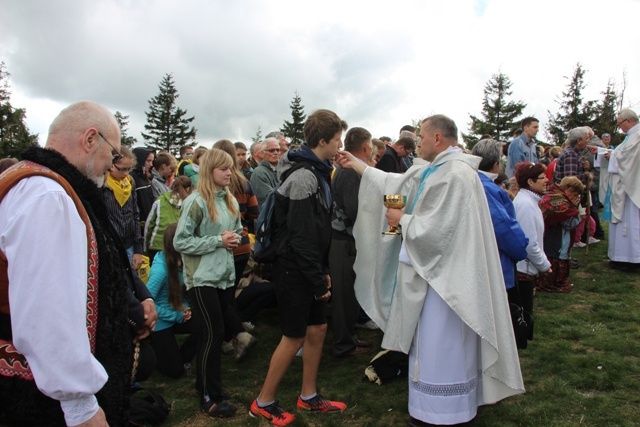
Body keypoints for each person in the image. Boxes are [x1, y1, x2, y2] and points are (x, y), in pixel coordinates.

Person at [338, 115, 524, 426]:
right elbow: (393, 184)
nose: (417, 143)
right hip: (432, 274)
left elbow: (439, 232)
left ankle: (445, 411)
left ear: (437, 138)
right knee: (430, 346)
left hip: (447, 283)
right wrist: (355, 165)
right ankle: (431, 406)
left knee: (443, 344)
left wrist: (401, 221)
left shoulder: (456, 176)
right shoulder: (436, 169)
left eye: (421, 137)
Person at [0, 101, 157, 426]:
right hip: (41, 399)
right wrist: (81, 405)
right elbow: (46, 312)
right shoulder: (49, 197)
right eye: (113, 155)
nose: (111, 165)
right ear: (89, 139)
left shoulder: (34, 182)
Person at [250, 109, 349, 426]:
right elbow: (302, 238)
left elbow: (315, 234)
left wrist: (323, 271)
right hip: (293, 269)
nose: (339, 146)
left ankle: (308, 396)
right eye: (336, 140)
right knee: (293, 336)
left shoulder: (317, 171)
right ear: (322, 141)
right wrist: (318, 280)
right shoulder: (305, 176)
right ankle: (263, 402)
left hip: (308, 267)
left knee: (317, 329)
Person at [174, 148, 255, 418]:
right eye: (224, 169)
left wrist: (233, 239)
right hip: (200, 278)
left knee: (217, 332)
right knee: (212, 333)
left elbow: (234, 230)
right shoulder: (195, 201)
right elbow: (180, 242)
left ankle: (208, 386)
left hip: (223, 276)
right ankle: (210, 396)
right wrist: (218, 241)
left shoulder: (229, 198)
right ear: (210, 171)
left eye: (230, 168)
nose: (230, 173)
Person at [329, 126, 374, 357]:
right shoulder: (349, 172)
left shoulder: (353, 169)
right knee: (344, 296)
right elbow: (355, 209)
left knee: (352, 294)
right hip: (343, 242)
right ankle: (343, 346)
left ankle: (350, 338)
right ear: (366, 147)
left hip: (349, 241)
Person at [471, 139, 529, 292]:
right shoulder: (487, 188)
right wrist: (521, 247)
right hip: (494, 261)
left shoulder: (472, 180)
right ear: (496, 164)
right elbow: (503, 227)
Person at [147, 223, 199, 378]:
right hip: (160, 321)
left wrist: (184, 307)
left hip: (177, 313)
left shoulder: (183, 263)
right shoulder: (160, 271)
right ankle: (153, 351)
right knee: (174, 372)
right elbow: (147, 304)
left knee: (205, 324)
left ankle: (182, 358)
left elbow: (180, 294)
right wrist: (176, 315)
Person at [512, 162, 552, 339]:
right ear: (530, 181)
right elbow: (528, 243)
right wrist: (544, 265)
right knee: (522, 315)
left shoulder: (529, 201)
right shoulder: (526, 205)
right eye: (542, 178)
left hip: (525, 268)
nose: (547, 180)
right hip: (524, 269)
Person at [600, 109, 640, 272]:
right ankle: (621, 256)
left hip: (630, 188)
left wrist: (612, 155)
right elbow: (622, 153)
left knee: (630, 222)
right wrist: (610, 153)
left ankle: (630, 258)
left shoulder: (636, 136)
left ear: (628, 121)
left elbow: (627, 158)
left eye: (620, 123)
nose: (619, 127)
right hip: (625, 185)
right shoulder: (631, 137)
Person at [537, 176, 584, 292]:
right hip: (556, 239)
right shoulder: (562, 202)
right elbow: (570, 223)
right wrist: (574, 208)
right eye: (575, 194)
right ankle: (554, 283)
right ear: (570, 190)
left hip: (549, 236)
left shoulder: (552, 195)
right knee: (555, 259)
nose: (576, 197)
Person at [102, 146, 145, 271]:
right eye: (122, 169)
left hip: (130, 244)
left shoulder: (130, 182)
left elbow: (135, 213)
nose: (126, 173)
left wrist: (138, 249)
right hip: (111, 246)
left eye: (129, 169)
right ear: (111, 165)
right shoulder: (102, 185)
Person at [145, 175, 192, 263]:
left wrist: (145, 248)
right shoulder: (189, 204)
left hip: (156, 245)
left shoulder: (160, 200)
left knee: (157, 274)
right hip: (177, 247)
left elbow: (149, 225)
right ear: (188, 189)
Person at [130, 147, 156, 233]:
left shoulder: (147, 177)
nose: (151, 164)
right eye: (148, 161)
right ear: (140, 160)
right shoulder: (132, 177)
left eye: (152, 161)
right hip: (139, 226)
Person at [250, 137, 281, 208]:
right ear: (262, 153)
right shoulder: (258, 173)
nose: (276, 153)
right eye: (271, 150)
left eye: (278, 150)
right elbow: (270, 198)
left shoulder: (282, 170)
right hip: (267, 216)